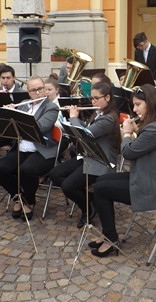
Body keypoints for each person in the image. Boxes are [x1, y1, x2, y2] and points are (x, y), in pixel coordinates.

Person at [90, 84, 156, 257]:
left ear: (150, 104)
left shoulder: (155, 129)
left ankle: (110, 238)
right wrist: (138, 130)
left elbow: (128, 153)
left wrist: (127, 133)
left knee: (101, 190)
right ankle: (107, 233)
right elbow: (146, 144)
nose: (135, 109)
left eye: (138, 104)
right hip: (150, 175)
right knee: (100, 181)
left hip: (154, 187)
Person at [49, 82, 120, 228]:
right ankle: (91, 199)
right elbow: (88, 128)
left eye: (96, 98)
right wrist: (71, 118)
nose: (93, 102)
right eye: (91, 98)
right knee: (55, 174)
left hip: (101, 162)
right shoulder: (99, 112)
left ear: (107, 97)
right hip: (88, 156)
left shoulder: (109, 118)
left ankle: (87, 208)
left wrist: (74, 118)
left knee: (68, 186)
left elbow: (86, 135)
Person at [0, 76, 60, 220]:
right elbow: (10, 130)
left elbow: (40, 127)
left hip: (41, 151)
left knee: (26, 170)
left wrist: (17, 116)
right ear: (28, 92)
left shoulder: (51, 107)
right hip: (21, 149)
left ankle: (29, 201)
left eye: (40, 89)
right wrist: (8, 115)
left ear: (44, 89)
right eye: (34, 90)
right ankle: (18, 198)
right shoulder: (24, 104)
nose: (38, 93)